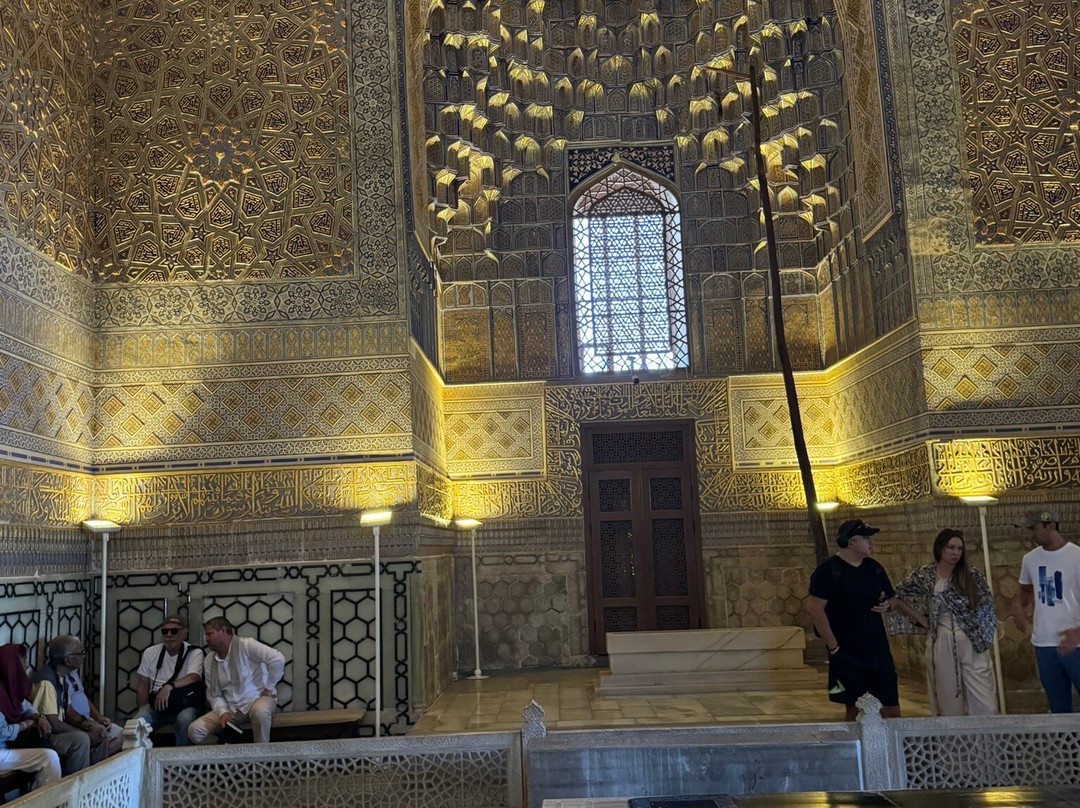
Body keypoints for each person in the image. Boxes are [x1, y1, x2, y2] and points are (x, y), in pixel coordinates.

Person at [807, 518, 929, 720]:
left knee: (891, 708)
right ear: (851, 542)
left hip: (877, 649)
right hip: (847, 651)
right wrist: (833, 646)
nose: (871, 542)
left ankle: (890, 750)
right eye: (865, 538)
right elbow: (815, 608)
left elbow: (892, 600)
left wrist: (890, 607)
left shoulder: (874, 568)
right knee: (854, 711)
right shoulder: (828, 570)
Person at [894, 529, 998, 715]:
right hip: (942, 640)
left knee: (985, 702)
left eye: (959, 548)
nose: (955, 553)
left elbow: (987, 607)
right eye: (950, 547)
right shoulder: (926, 575)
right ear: (941, 549)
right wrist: (919, 617)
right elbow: (897, 595)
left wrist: (983, 634)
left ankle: (985, 743)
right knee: (948, 700)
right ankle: (952, 743)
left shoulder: (972, 576)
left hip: (972, 641)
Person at [1012, 506, 1080, 713]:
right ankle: (1066, 745)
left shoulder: (1077, 556)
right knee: (1058, 707)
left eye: (1034, 528)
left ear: (1050, 525)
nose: (1030, 534)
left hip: (1076, 645)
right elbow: (1025, 590)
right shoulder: (1030, 559)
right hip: (1044, 644)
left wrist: (1077, 632)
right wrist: (1018, 606)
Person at [188, 617, 285, 745]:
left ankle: (260, 759)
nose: (207, 639)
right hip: (230, 708)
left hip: (256, 699)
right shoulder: (210, 660)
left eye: (210, 634)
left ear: (223, 631)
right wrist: (223, 712)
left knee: (260, 712)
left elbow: (277, 659)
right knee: (195, 730)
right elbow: (213, 693)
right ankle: (228, 757)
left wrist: (269, 687)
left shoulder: (246, 645)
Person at [133, 616, 205, 745]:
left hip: (184, 704)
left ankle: (182, 763)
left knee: (185, 719)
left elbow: (193, 677)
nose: (169, 635)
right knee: (137, 723)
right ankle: (138, 761)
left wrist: (169, 687)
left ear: (184, 632)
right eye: (165, 631)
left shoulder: (194, 652)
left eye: (174, 631)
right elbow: (143, 685)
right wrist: (143, 708)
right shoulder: (150, 652)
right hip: (158, 705)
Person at [0, 644, 61, 791]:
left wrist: (38, 717)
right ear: (11, 664)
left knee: (47, 751)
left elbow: (24, 705)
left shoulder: (7, 687)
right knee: (48, 758)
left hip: (6, 747)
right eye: (23, 660)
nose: (27, 665)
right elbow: (2, 732)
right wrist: (26, 725)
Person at [29, 637, 92, 774]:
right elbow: (52, 722)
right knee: (81, 740)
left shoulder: (62, 676)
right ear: (67, 660)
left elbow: (68, 710)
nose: (83, 657)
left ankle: (94, 782)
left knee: (99, 732)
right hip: (44, 735)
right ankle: (75, 786)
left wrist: (86, 724)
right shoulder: (46, 681)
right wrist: (80, 732)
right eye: (80, 653)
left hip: (56, 730)